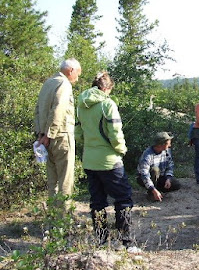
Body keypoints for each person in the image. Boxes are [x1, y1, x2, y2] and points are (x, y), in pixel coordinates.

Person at [75, 72, 133, 246]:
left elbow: (78, 134)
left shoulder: (81, 105)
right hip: (109, 160)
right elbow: (115, 133)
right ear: (107, 87)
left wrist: (91, 145)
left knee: (97, 202)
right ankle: (126, 241)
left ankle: (101, 240)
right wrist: (121, 149)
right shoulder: (108, 104)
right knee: (123, 199)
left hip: (89, 160)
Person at [34, 58, 81, 209]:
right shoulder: (64, 83)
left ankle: (53, 219)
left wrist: (41, 135)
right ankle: (64, 221)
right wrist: (49, 134)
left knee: (52, 181)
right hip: (61, 137)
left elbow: (38, 110)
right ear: (71, 70)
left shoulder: (48, 83)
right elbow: (58, 109)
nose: (77, 78)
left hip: (47, 138)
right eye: (78, 74)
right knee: (65, 181)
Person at [137, 132, 181, 202]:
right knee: (155, 169)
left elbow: (170, 165)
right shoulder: (147, 155)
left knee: (176, 184)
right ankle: (152, 193)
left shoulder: (167, 151)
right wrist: (153, 189)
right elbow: (144, 175)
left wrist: (168, 178)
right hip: (145, 178)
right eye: (168, 143)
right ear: (161, 144)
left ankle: (158, 191)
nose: (170, 145)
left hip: (160, 176)